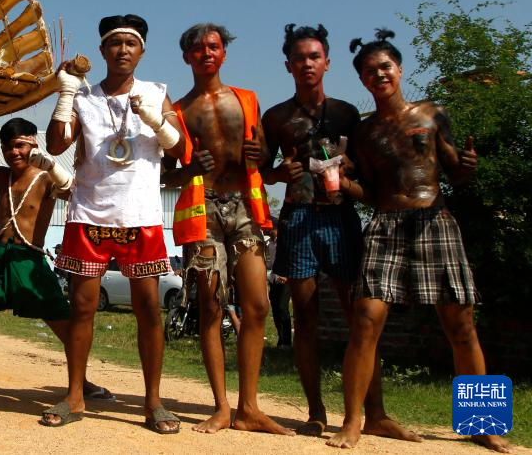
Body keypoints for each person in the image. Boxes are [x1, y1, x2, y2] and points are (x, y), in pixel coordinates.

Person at [328, 30, 510, 453]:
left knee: (461, 324)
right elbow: (371, 191)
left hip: (435, 220)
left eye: (385, 67)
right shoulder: (363, 132)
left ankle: (483, 424)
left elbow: (455, 172)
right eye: (369, 71)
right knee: (366, 319)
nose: (379, 75)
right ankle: (353, 421)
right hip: (386, 224)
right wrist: (344, 184)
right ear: (362, 80)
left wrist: (468, 164)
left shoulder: (432, 113)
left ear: (399, 69)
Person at [261, 23, 413, 439]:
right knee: (305, 318)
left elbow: (365, 171)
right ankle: (315, 411)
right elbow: (261, 172)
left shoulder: (347, 114)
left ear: (327, 62)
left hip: (341, 218)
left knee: (359, 319)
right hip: (298, 218)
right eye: (299, 58)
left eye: (314, 57)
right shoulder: (276, 117)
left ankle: (375, 413)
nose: (307, 64)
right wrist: (279, 173)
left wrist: (348, 172)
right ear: (288, 65)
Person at [44, 14, 185, 433]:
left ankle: (153, 401)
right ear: (102, 50)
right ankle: (75, 394)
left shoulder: (157, 92)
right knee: (82, 307)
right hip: (89, 213)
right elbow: (55, 143)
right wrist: (65, 94)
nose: (123, 50)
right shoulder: (84, 97)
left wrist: (155, 119)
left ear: (142, 51)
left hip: (140, 215)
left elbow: (178, 149)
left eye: (131, 43)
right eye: (115, 43)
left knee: (149, 309)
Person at [164, 23, 291, 435]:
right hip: (203, 212)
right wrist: (188, 169)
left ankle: (249, 407)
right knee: (211, 307)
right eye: (198, 48)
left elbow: (265, 155)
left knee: (257, 305)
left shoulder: (247, 99)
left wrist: (261, 152)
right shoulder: (177, 111)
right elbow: (165, 173)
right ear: (186, 56)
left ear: (224, 53)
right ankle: (221, 407)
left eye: (213, 46)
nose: (206, 53)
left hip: (246, 209)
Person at [0, 117, 113, 400]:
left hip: (30, 262)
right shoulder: (1, 176)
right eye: (7, 147)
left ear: (33, 145)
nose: (13, 152)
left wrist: (52, 165)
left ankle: (81, 384)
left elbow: (75, 193)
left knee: (68, 328)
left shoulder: (47, 177)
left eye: (19, 145)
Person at [264, 228, 291, 347]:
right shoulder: (269, 243)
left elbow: (290, 258)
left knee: (282, 308)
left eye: (271, 229)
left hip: (284, 278)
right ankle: (281, 339)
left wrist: (287, 275)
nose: (269, 231)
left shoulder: (284, 241)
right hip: (273, 278)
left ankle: (287, 341)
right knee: (275, 309)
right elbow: (270, 262)